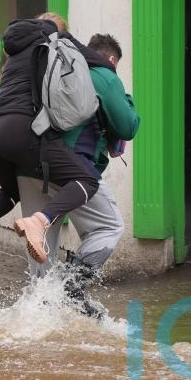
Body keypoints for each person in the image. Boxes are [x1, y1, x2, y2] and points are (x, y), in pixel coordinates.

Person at [0, 15, 113, 268]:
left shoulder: (16, 52)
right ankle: (39, 221)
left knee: (13, 189)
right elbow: (102, 64)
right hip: (19, 128)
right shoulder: (55, 38)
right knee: (86, 180)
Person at [18, 33, 139, 316]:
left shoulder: (58, 68)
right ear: (111, 59)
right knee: (109, 226)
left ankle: (38, 314)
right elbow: (127, 126)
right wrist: (127, 100)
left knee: (42, 243)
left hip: (30, 165)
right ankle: (70, 287)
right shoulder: (104, 75)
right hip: (72, 167)